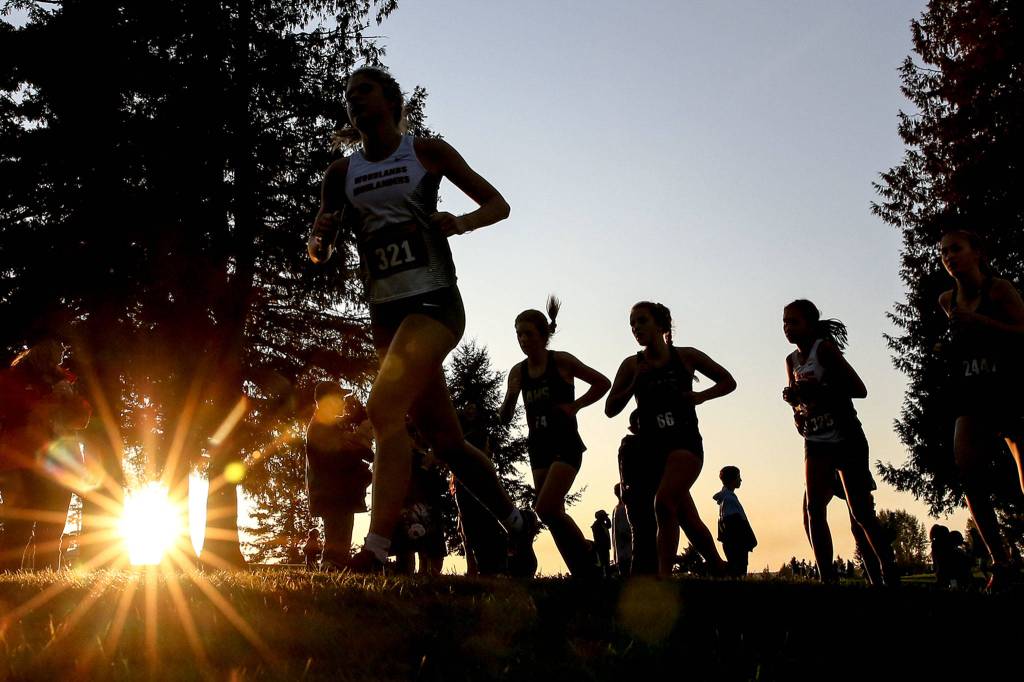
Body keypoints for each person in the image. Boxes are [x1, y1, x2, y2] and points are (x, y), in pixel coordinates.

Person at [309, 66, 540, 574]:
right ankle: (516, 521)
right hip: (386, 315)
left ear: (391, 100)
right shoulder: (341, 174)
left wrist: (461, 222)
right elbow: (318, 251)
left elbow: (497, 203)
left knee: (384, 409)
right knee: (449, 443)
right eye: (348, 97)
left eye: (364, 92)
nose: (354, 102)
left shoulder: (425, 152)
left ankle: (373, 549)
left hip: (435, 304)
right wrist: (320, 238)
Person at [606, 301, 736, 577]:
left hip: (685, 445)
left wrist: (700, 396)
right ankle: (717, 564)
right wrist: (633, 385)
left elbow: (728, 381)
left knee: (663, 503)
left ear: (660, 325)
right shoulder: (632, 364)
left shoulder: (686, 357)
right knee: (686, 516)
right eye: (632, 323)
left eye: (642, 321)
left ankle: (663, 576)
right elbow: (610, 409)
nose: (636, 328)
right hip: (653, 451)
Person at [783, 299, 898, 586]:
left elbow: (859, 389)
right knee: (813, 509)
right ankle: (827, 580)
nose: (787, 328)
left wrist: (819, 390)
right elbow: (799, 403)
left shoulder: (824, 349)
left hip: (846, 436)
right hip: (815, 438)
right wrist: (796, 407)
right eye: (784, 322)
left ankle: (888, 572)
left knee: (860, 512)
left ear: (810, 324)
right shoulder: (791, 361)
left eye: (793, 322)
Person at [937, 229, 1024, 590]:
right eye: (943, 253)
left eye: (956, 249)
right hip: (972, 390)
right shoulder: (947, 300)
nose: (948, 257)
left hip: (1010, 387)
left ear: (977, 252)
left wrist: (981, 322)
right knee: (967, 470)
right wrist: (946, 348)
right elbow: (964, 342)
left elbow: (1022, 331)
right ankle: (1000, 562)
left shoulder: (998, 289)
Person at [499, 297, 611, 576]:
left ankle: (588, 551)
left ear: (543, 335)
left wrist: (576, 406)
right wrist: (512, 394)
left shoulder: (560, 361)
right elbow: (504, 418)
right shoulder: (518, 371)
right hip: (538, 445)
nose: (523, 339)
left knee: (545, 507)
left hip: (565, 442)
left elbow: (602, 382)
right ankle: (583, 571)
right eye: (518, 334)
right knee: (552, 513)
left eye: (528, 333)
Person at [0, 339, 91, 571]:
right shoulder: (11, 380)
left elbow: (81, 420)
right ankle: (8, 580)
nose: (53, 360)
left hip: (60, 461)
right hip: (21, 458)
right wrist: (49, 401)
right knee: (19, 523)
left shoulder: (64, 382)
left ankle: (46, 577)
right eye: (47, 354)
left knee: (52, 522)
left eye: (56, 356)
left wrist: (69, 399)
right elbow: (17, 411)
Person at [304, 382, 373, 568]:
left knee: (340, 539)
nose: (343, 401)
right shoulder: (321, 426)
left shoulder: (327, 425)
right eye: (340, 397)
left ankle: (334, 568)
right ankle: (331, 569)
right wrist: (362, 451)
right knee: (337, 540)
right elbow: (335, 457)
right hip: (333, 493)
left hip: (337, 492)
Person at [453, 402, 508, 576]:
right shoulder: (458, 432)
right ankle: (472, 567)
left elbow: (487, 455)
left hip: (479, 480)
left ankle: (487, 566)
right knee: (466, 525)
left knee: (484, 523)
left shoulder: (482, 433)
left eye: (473, 408)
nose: (470, 411)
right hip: (462, 482)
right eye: (467, 408)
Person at [714, 466, 756, 577]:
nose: (740, 480)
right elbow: (733, 522)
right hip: (737, 544)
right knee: (739, 572)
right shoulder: (729, 500)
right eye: (738, 477)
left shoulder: (725, 499)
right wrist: (745, 540)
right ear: (732, 480)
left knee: (736, 571)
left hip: (733, 543)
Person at [611, 483, 632, 577]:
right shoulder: (623, 509)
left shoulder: (616, 509)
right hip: (627, 552)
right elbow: (624, 531)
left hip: (621, 553)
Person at [591, 510, 612, 577]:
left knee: (606, 563)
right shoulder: (596, 525)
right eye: (604, 516)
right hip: (601, 547)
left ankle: (607, 576)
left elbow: (609, 525)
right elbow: (599, 537)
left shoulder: (602, 524)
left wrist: (607, 519)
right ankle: (604, 577)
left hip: (605, 547)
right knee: (603, 564)